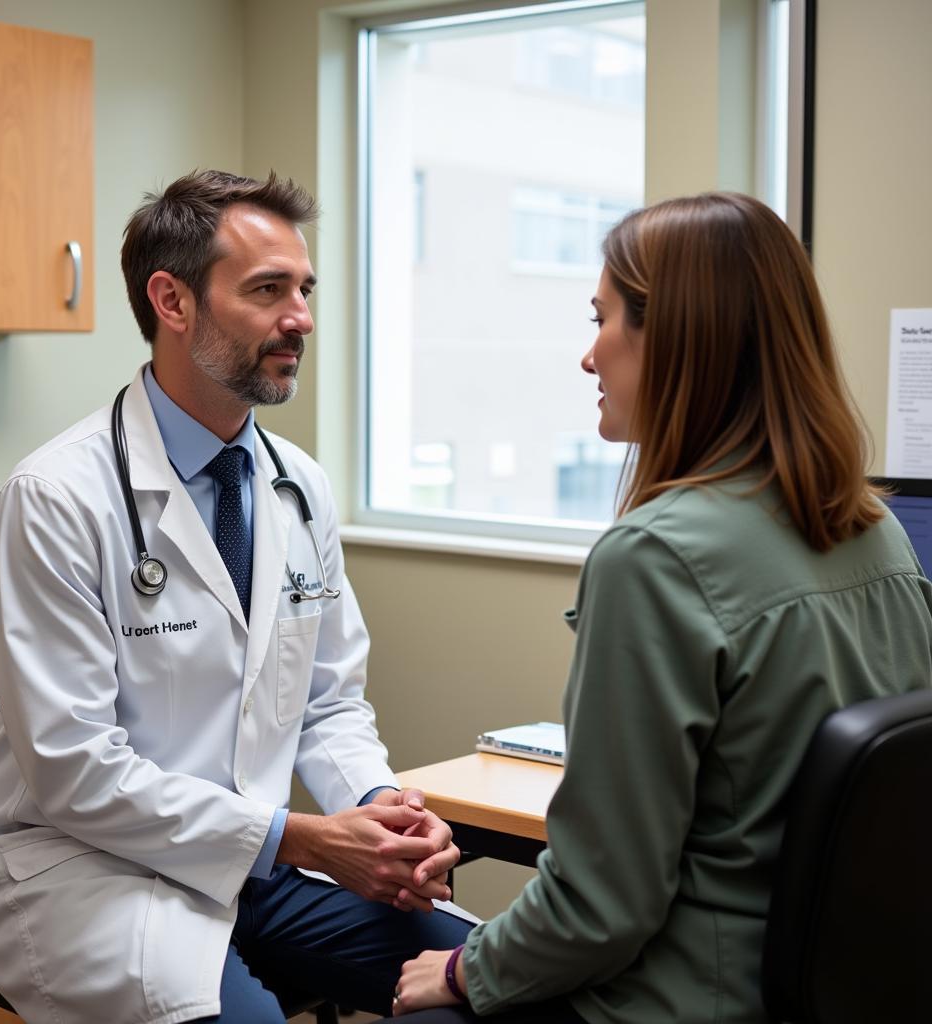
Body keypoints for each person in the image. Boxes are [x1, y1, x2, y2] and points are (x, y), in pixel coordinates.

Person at [385, 192, 932, 1023]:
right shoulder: (875, 528)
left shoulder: (656, 558)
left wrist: (466, 969)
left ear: (677, 340)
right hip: (838, 987)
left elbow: (600, 909)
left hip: (684, 997)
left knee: (418, 1006)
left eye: (602, 319)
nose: (587, 356)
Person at [0, 169, 471, 1024]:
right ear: (173, 300)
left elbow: (328, 704)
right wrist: (301, 839)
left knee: (483, 976)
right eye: (268, 290)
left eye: (304, 289)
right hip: (88, 871)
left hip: (253, 866)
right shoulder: (56, 497)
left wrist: (379, 809)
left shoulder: (297, 485)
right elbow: (74, 770)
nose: (301, 317)